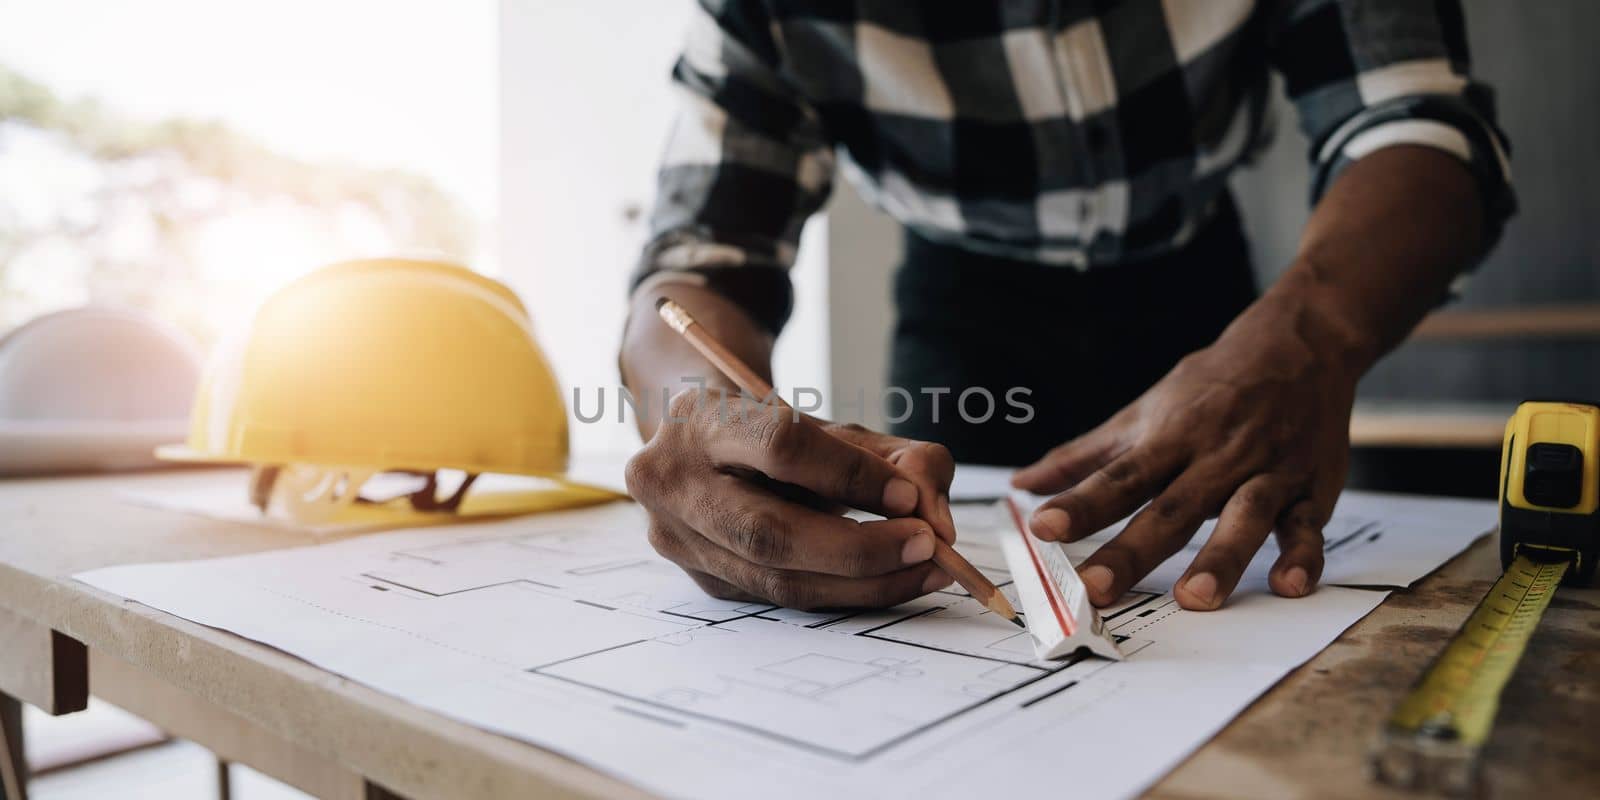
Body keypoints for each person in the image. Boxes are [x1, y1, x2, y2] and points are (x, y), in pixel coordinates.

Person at [619, 1, 1513, 613]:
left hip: (1231, 325)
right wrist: (703, 428)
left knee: (1232, 597)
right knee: (918, 538)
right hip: (959, 317)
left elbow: (1415, 121)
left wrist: (1311, 339)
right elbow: (698, 260)